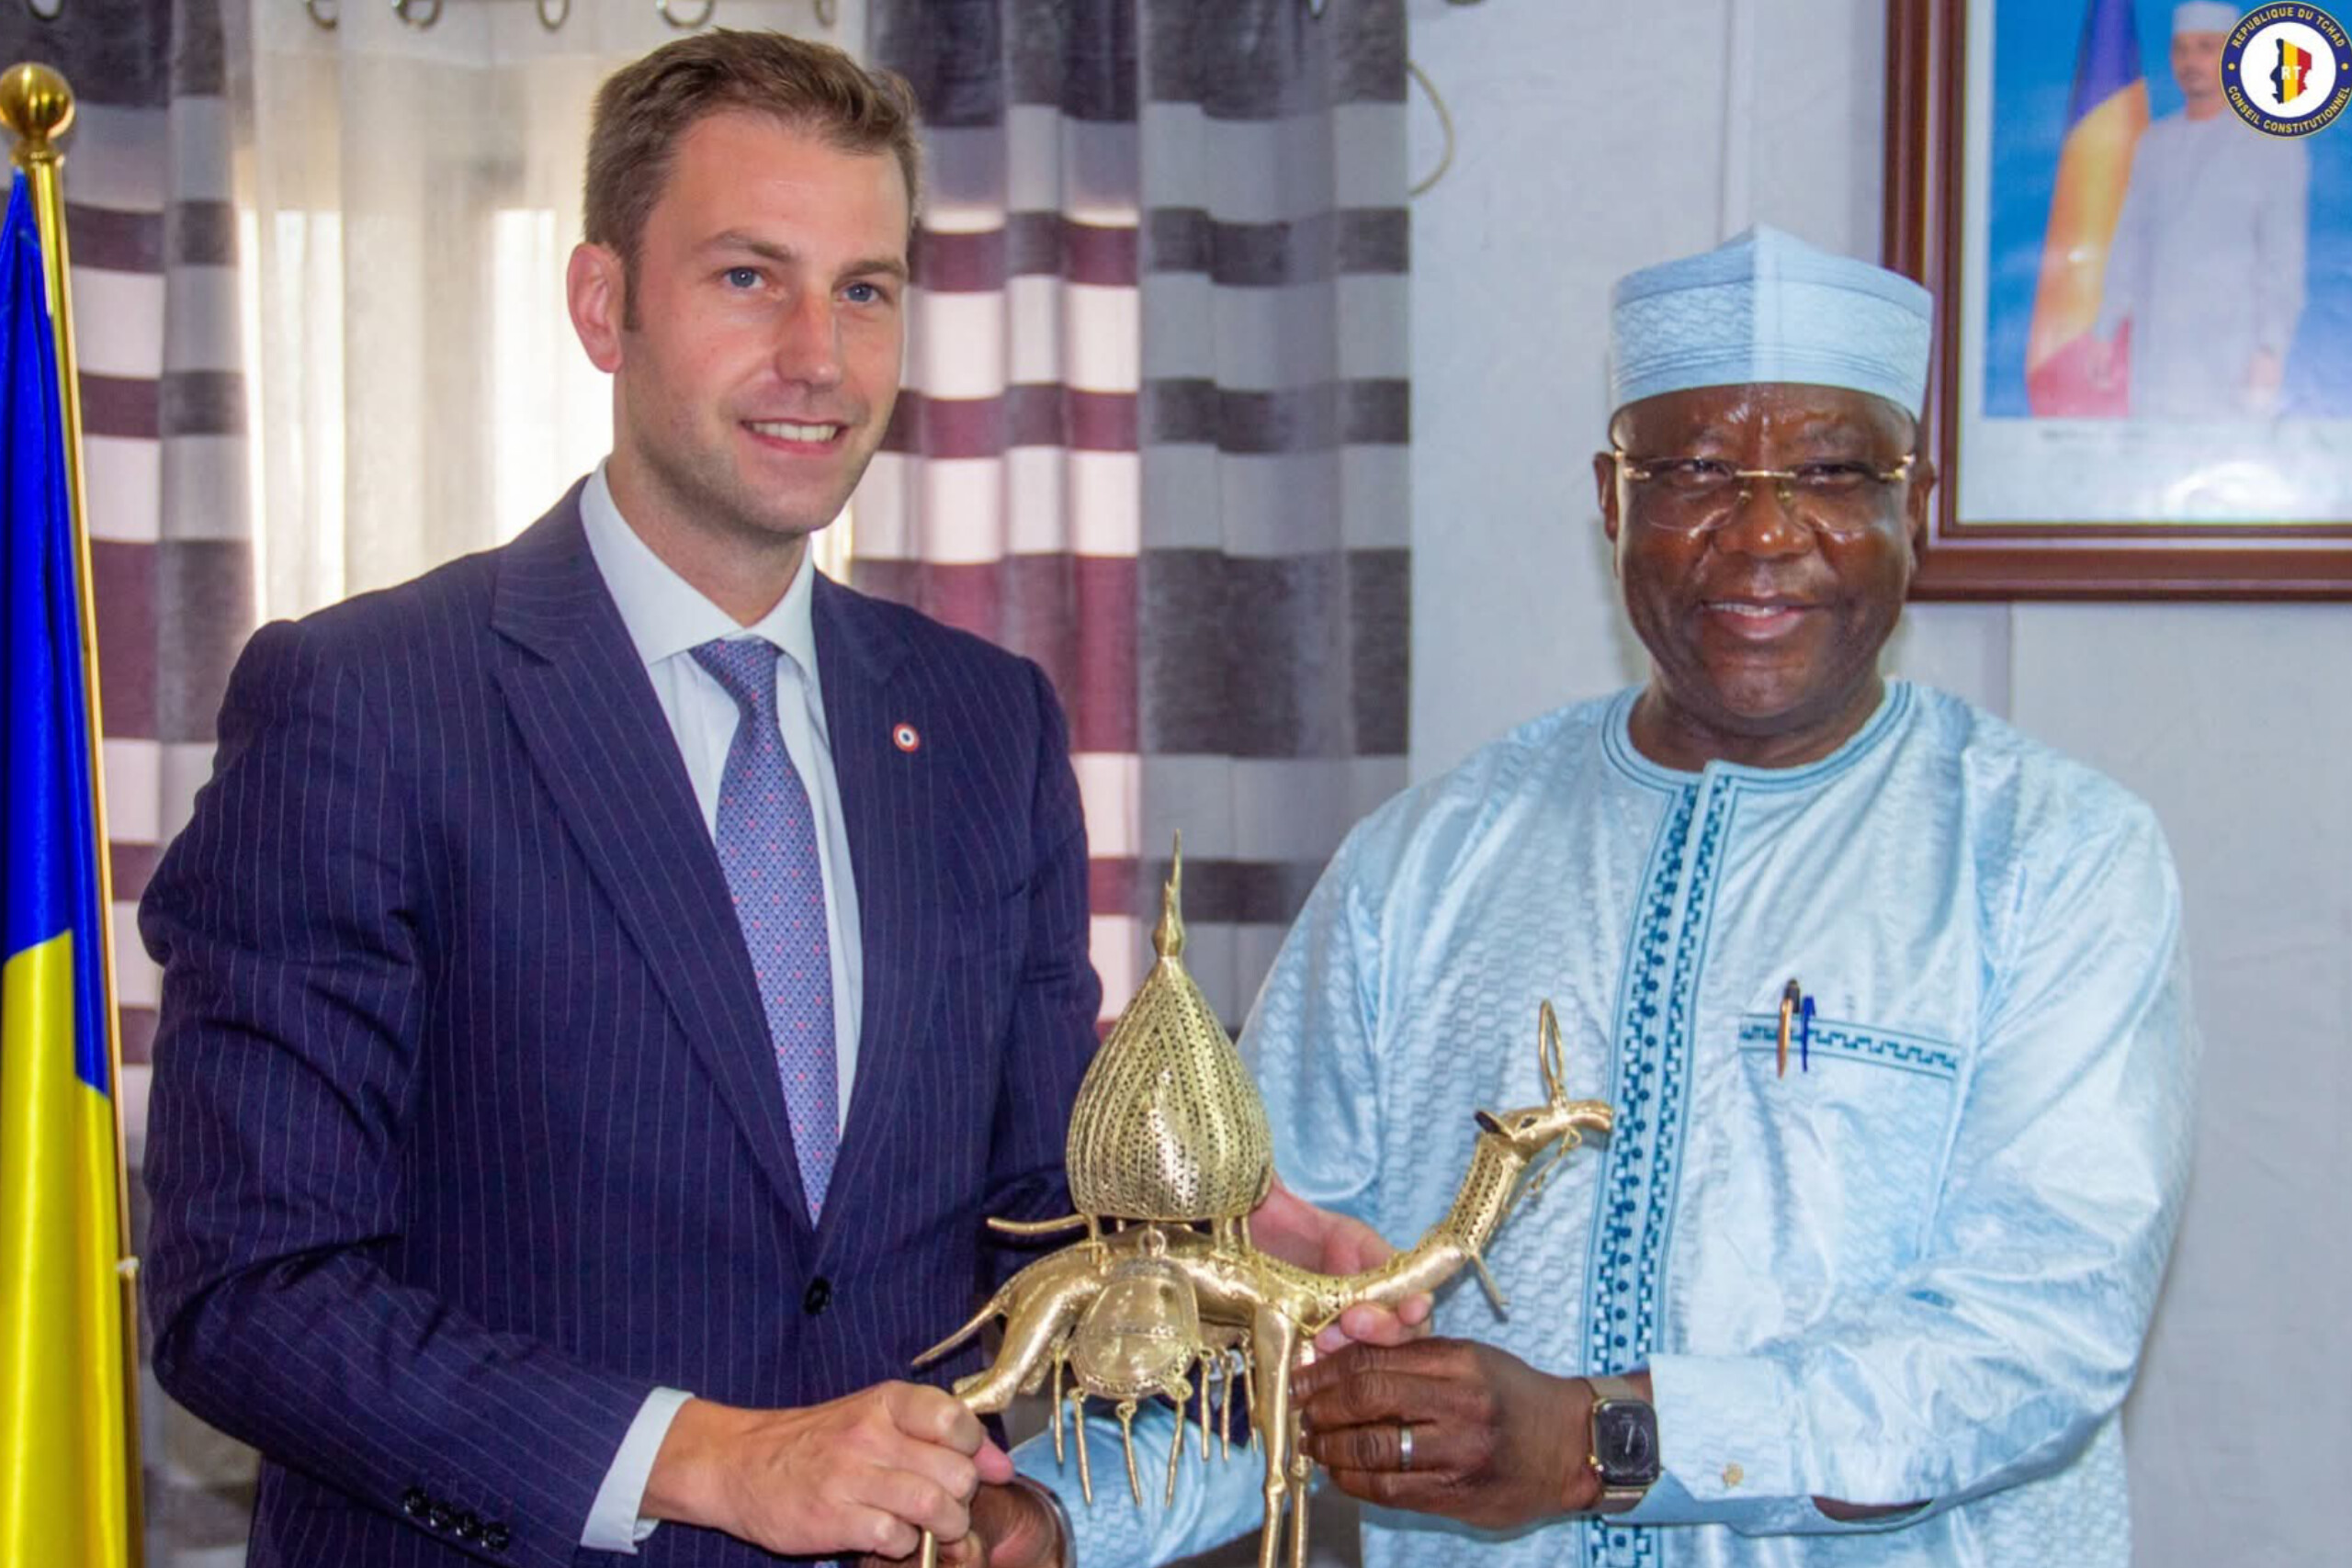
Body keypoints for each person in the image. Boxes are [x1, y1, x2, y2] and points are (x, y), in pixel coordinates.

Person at [983, 227, 2197, 1567]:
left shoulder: (2051, 854)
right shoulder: (1428, 864)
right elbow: (1269, 1302)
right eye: (1692, 471)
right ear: (1613, 500)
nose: (1766, 529)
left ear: (1917, 499)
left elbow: (2037, 1333)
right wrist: (1054, 1512)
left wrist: (1597, 1437)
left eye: (1833, 471)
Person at [138, 29, 1101, 1568]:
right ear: (603, 305)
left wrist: (1208, 1247)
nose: (818, 355)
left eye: (865, 289)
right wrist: (710, 1459)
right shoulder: (367, 700)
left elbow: (1035, 1208)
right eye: (747, 277)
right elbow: (245, 1289)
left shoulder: (989, 724)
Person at [2090, 1, 2311, 419]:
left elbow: (2283, 259)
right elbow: (2132, 239)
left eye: (2207, 48)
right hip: (2159, 351)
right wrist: (2105, 329)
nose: (2191, 62)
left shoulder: (2274, 146)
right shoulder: (2156, 144)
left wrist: (2270, 349)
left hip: (2234, 354)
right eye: (2182, 49)